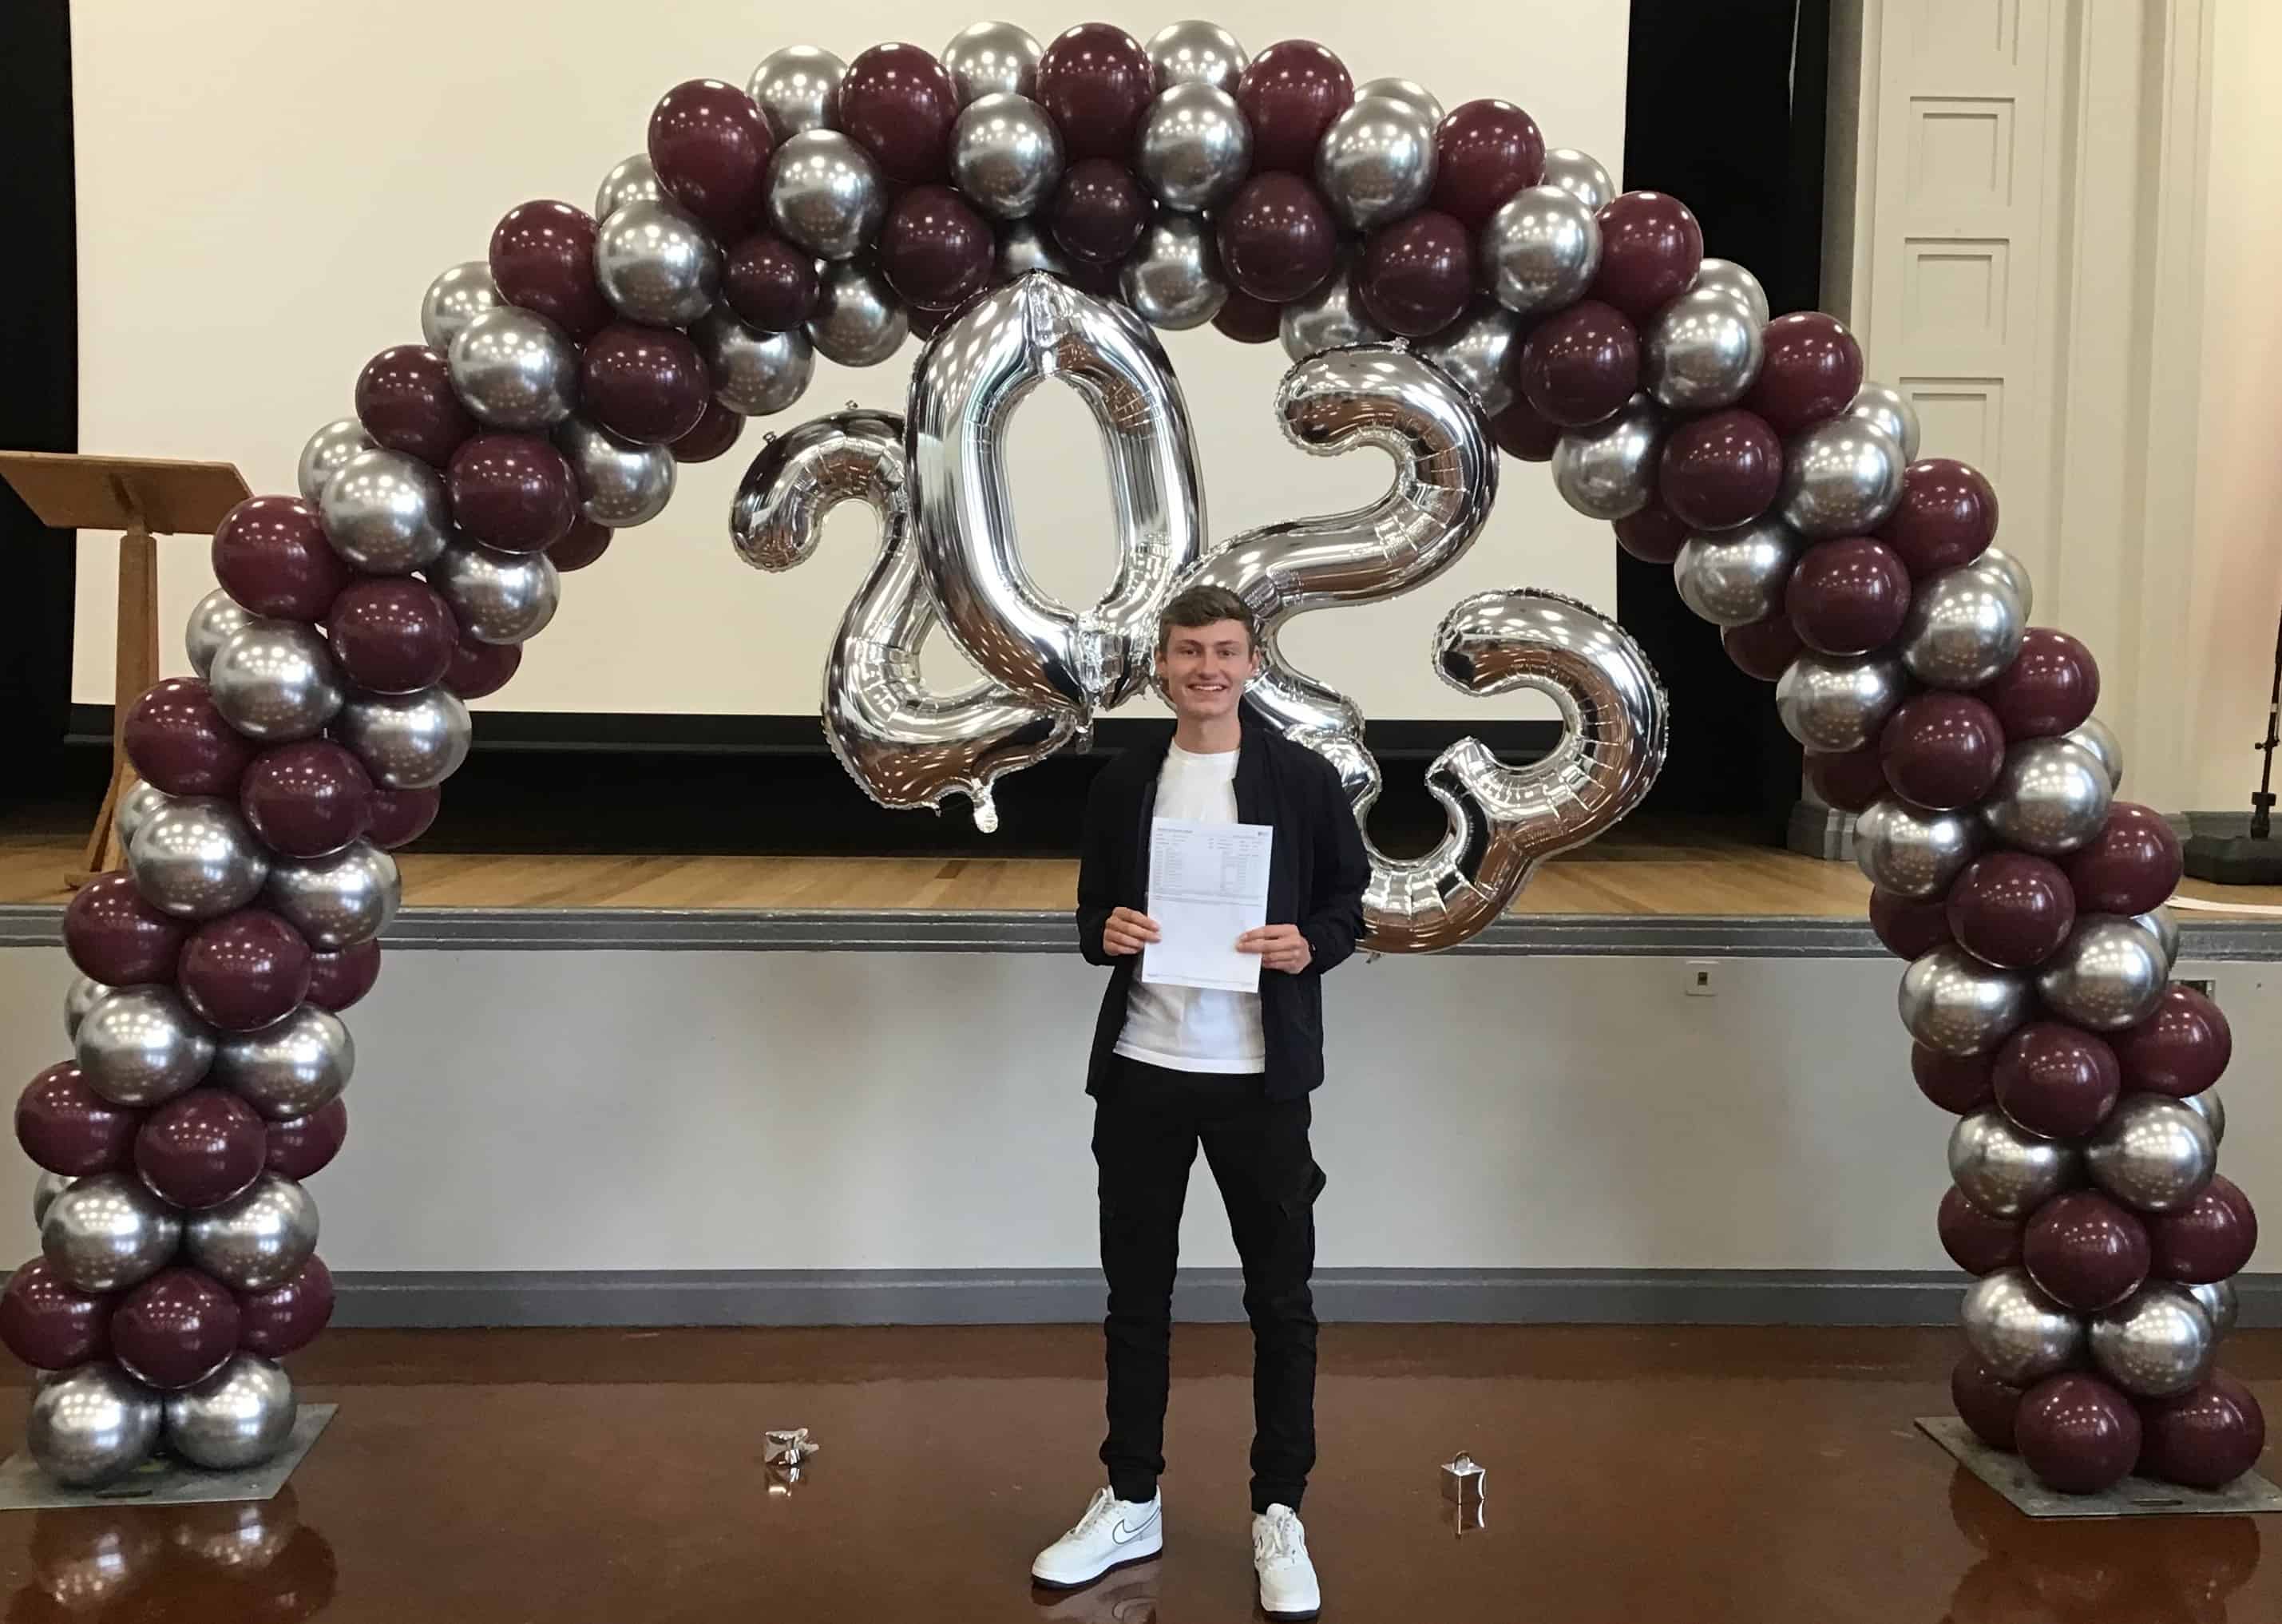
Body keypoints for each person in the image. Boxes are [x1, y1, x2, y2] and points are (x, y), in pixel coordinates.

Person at [1030, 584, 1370, 1622]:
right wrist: (1110, 932)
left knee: (1280, 1301)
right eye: (1188, 652)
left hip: (1257, 1082)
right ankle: (1132, 1494)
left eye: (1224, 652)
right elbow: (1093, 911)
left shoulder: (1302, 779)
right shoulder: (1126, 779)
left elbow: (1345, 903)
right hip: (1142, 1068)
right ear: (1163, 665)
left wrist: (1309, 942)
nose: (1206, 669)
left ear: (1250, 663)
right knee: (1136, 1296)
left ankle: (1278, 1510)